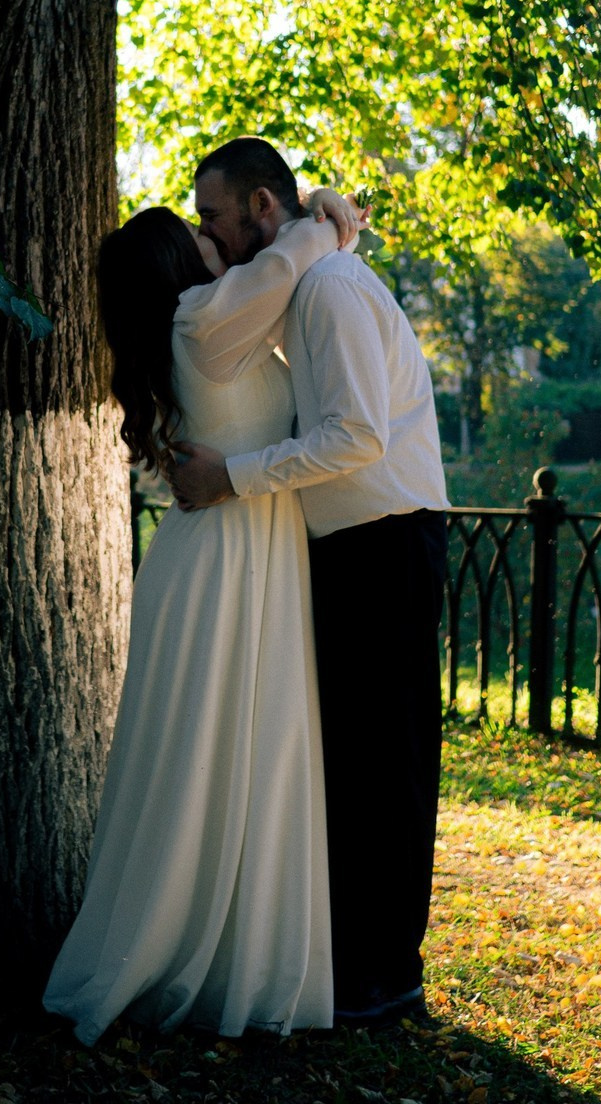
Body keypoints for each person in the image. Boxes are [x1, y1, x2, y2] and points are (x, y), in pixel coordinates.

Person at [43, 190, 360, 1046]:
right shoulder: (201, 316)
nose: (211, 238)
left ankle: (229, 952)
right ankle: (194, 951)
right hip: (226, 561)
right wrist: (331, 217)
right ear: (177, 267)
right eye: (196, 234)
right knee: (216, 753)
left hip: (235, 551)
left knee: (237, 751)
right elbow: (290, 258)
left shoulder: (198, 324)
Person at [169, 138, 448, 1025]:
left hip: (386, 535)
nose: (206, 233)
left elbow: (356, 435)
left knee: (387, 758)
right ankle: (359, 956)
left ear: (260, 207)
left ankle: (388, 971)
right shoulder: (311, 282)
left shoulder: (326, 291)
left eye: (214, 216)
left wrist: (232, 475)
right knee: (358, 756)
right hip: (356, 539)